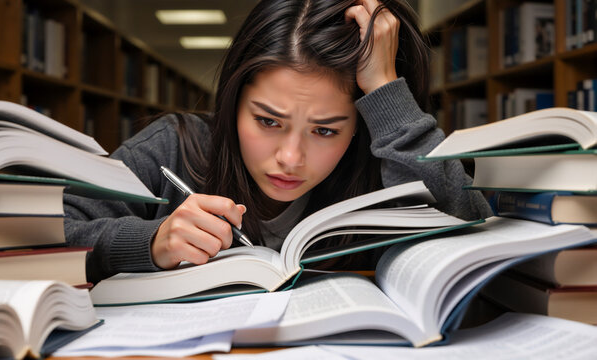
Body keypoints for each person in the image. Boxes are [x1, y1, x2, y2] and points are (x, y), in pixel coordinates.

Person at [65, 0, 492, 284]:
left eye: (325, 130)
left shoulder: (383, 165)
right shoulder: (174, 147)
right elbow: (39, 243)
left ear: (361, 123)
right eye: (268, 121)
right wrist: (149, 242)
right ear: (234, 102)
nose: (290, 158)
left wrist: (387, 94)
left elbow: (477, 243)